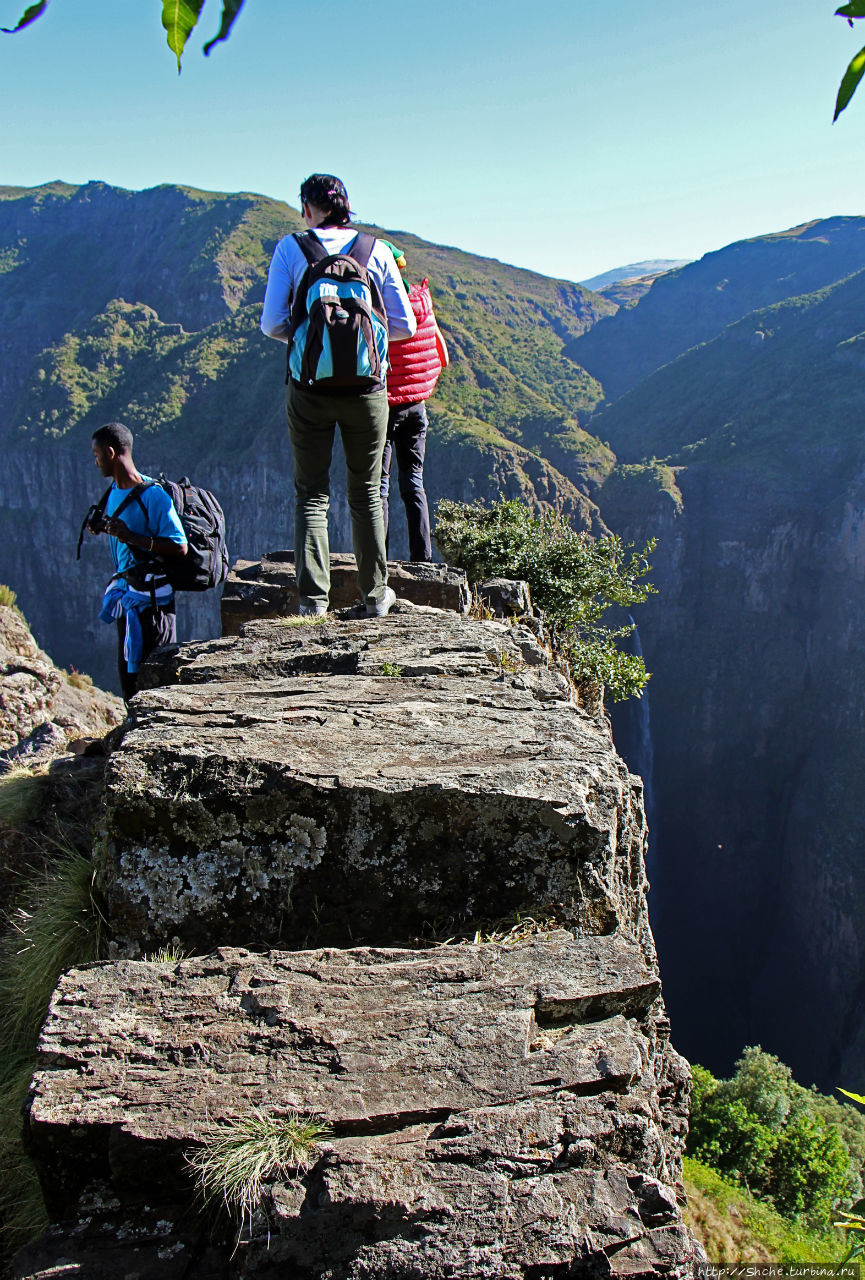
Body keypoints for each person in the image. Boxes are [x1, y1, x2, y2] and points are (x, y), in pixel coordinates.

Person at [261, 173, 416, 617]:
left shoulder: (292, 248)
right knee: (366, 491)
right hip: (368, 391)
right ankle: (375, 595)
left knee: (311, 493)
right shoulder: (377, 251)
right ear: (346, 206)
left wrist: (316, 342)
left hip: (308, 389)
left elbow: (272, 324)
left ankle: (313, 601)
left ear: (309, 208)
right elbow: (403, 326)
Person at [89, 422, 188, 702]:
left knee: (154, 684)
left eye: (96, 454)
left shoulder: (153, 495)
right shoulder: (112, 493)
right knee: (129, 685)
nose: (94, 461)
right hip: (130, 597)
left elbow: (179, 546)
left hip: (154, 605)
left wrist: (132, 537)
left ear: (110, 453)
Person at [378, 240, 449, 562]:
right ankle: (423, 560)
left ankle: (376, 564)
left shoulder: (377, 305)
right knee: (413, 484)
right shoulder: (422, 300)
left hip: (384, 407)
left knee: (378, 487)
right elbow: (442, 357)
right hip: (417, 408)